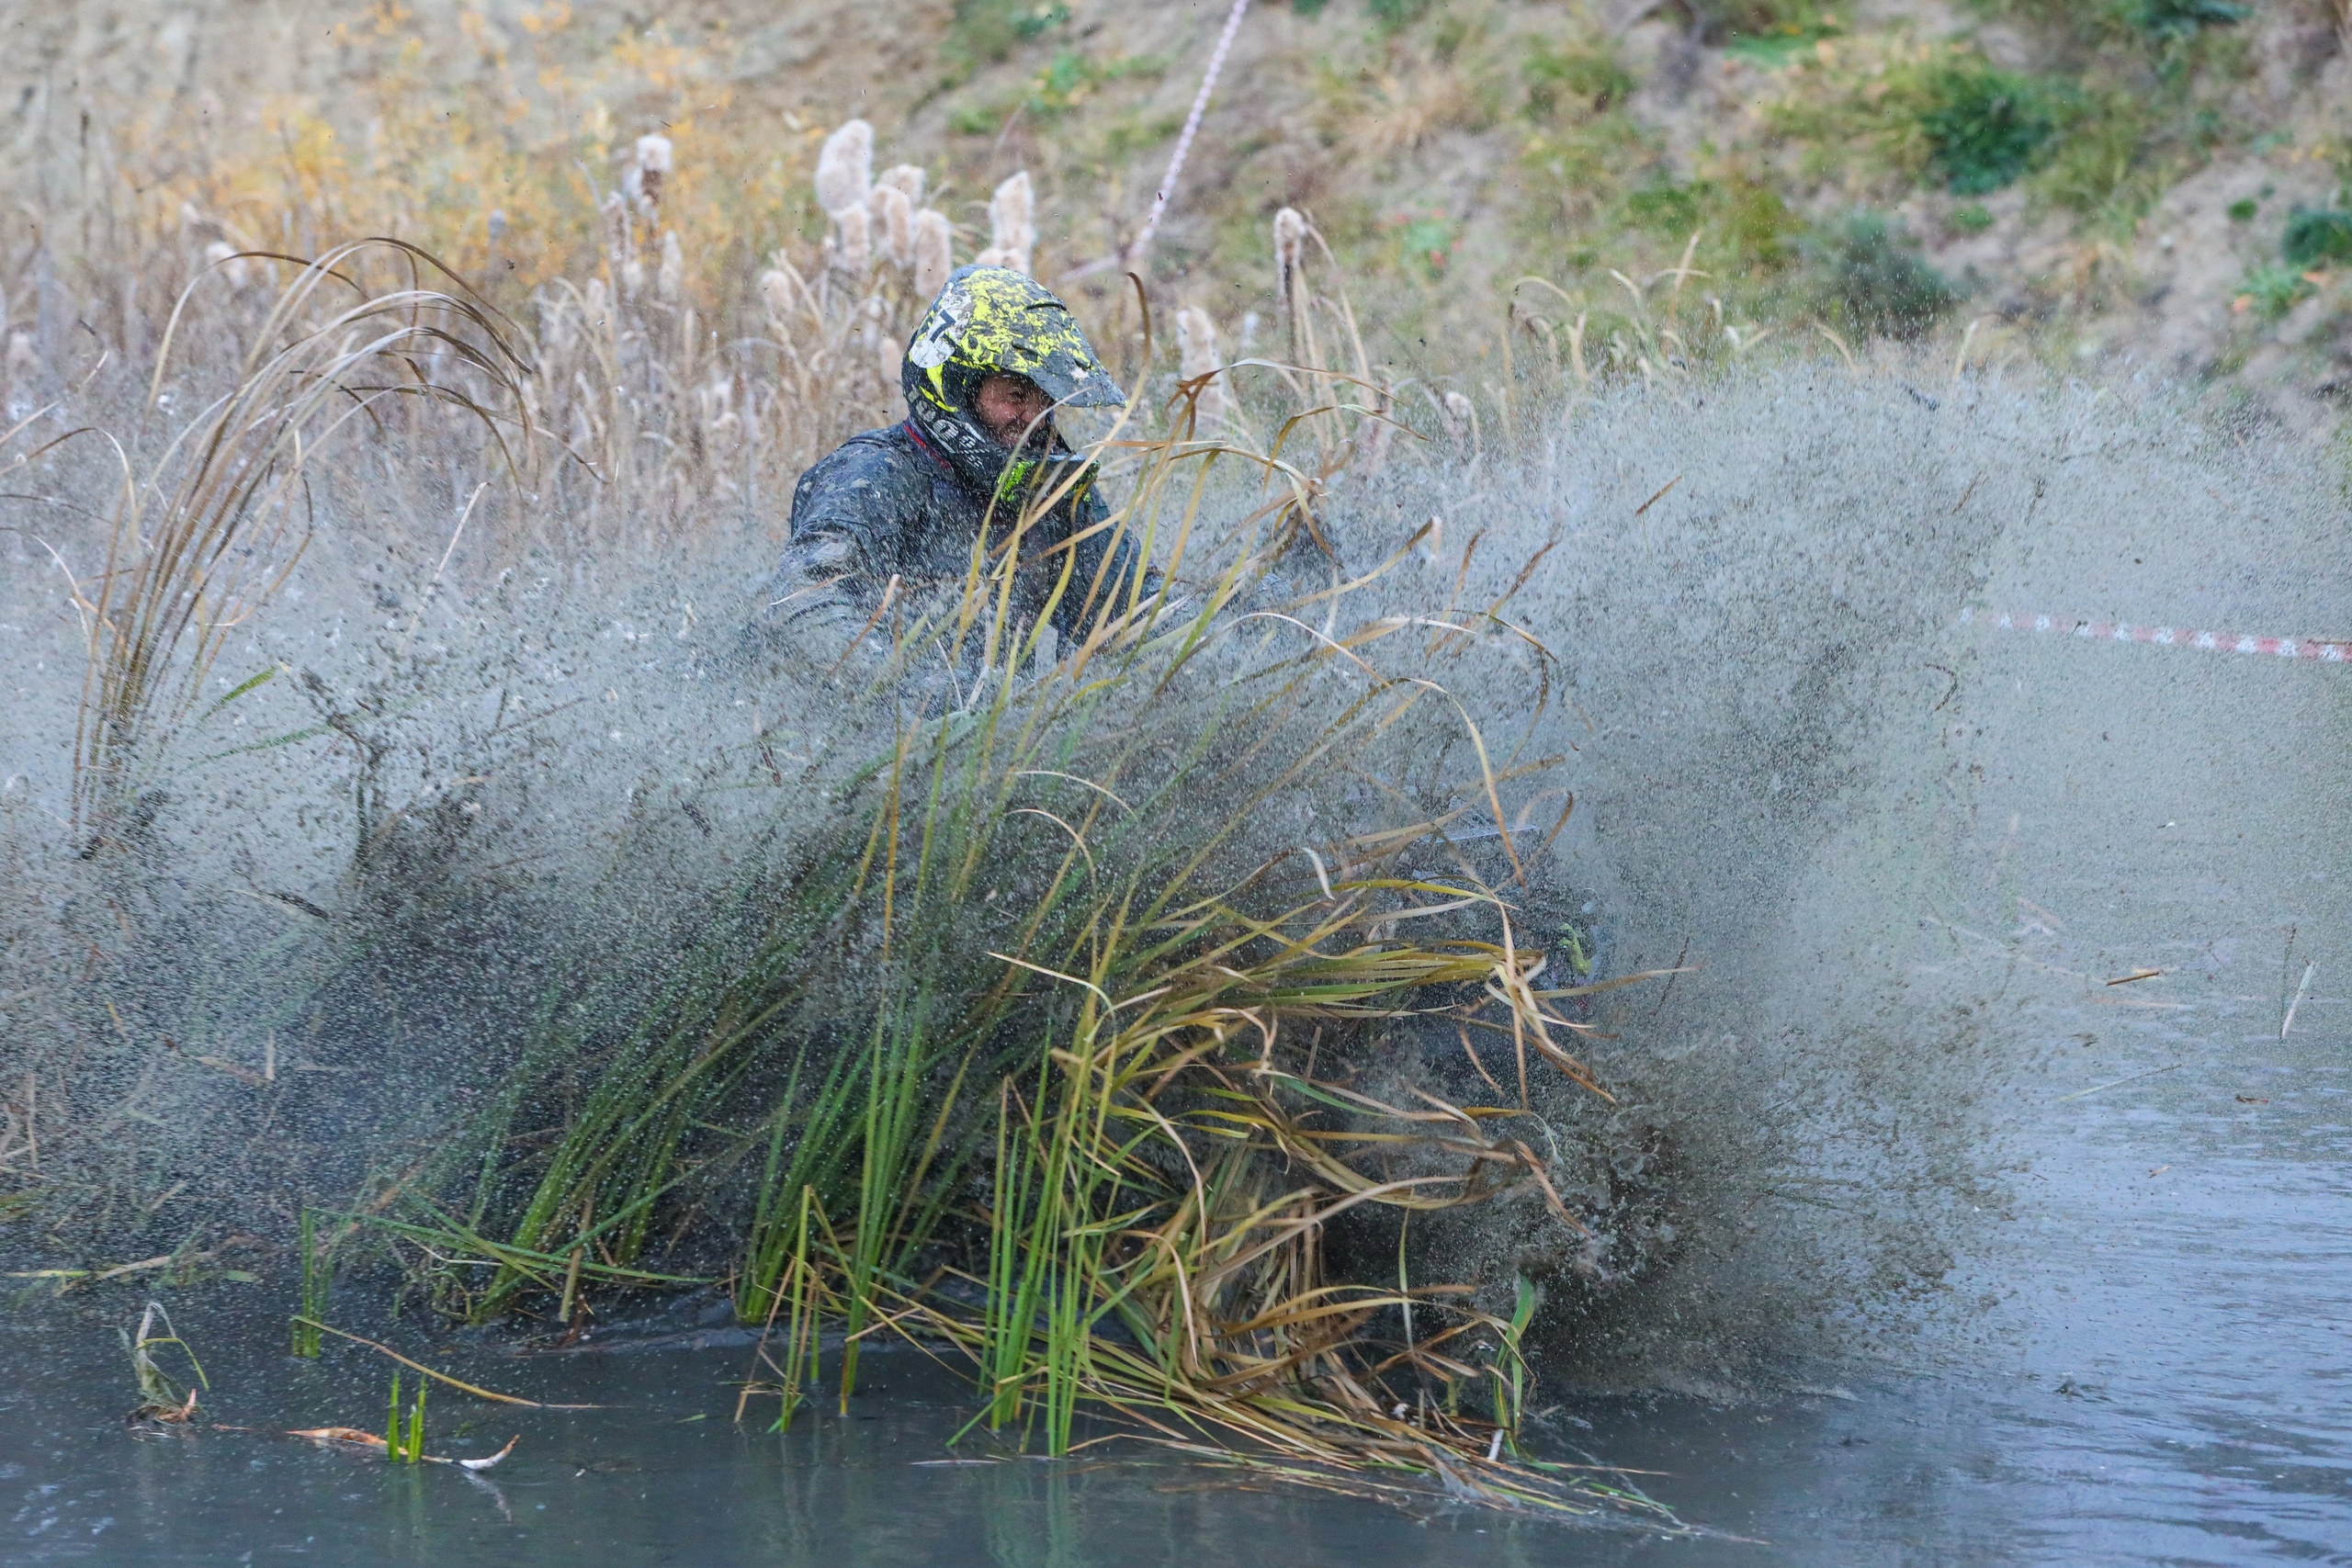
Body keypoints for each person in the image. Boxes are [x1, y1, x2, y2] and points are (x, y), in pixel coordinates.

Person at [758, 265, 1156, 680]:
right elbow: (798, 597)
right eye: (1016, 395)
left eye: (1045, 399)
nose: (1033, 417)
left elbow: (1142, 613)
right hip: (876, 728)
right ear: (959, 386)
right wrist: (917, 696)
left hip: (991, 734)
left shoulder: (1052, 495)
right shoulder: (882, 474)